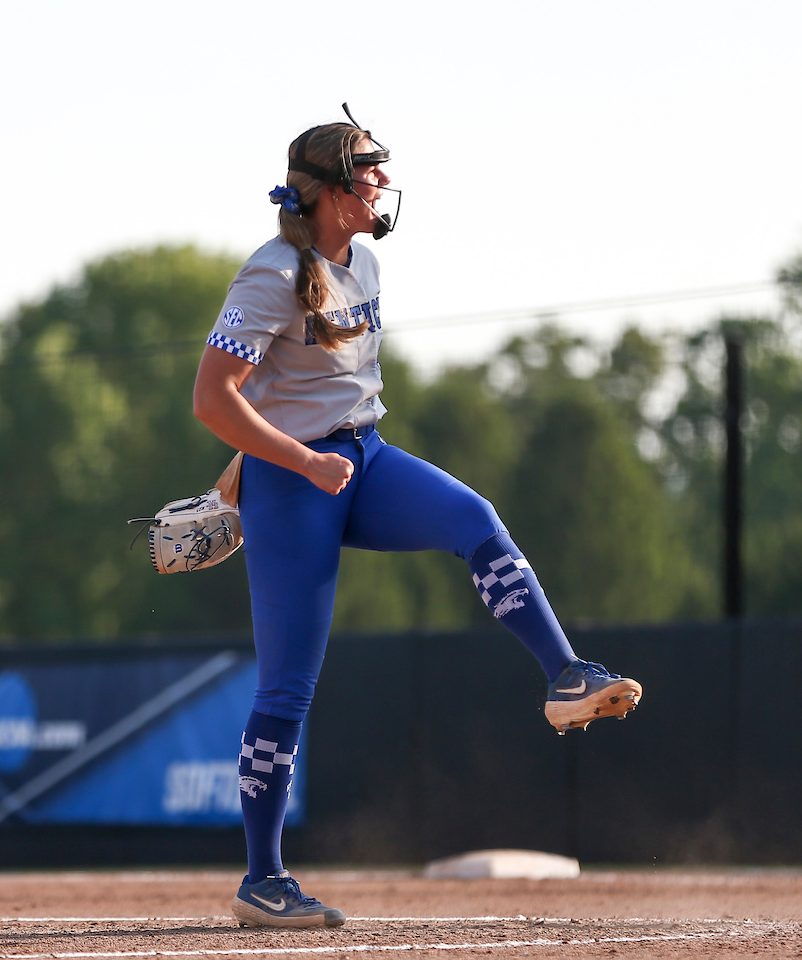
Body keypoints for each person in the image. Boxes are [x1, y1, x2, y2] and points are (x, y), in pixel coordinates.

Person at [192, 109, 643, 929]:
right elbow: (211, 396)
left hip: (363, 457)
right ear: (330, 191)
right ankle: (262, 879)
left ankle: (566, 675)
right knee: (288, 685)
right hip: (298, 483)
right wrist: (282, 465)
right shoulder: (268, 274)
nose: (381, 183)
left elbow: (318, 391)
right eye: (367, 172)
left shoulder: (360, 260)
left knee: (475, 517)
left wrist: (320, 454)